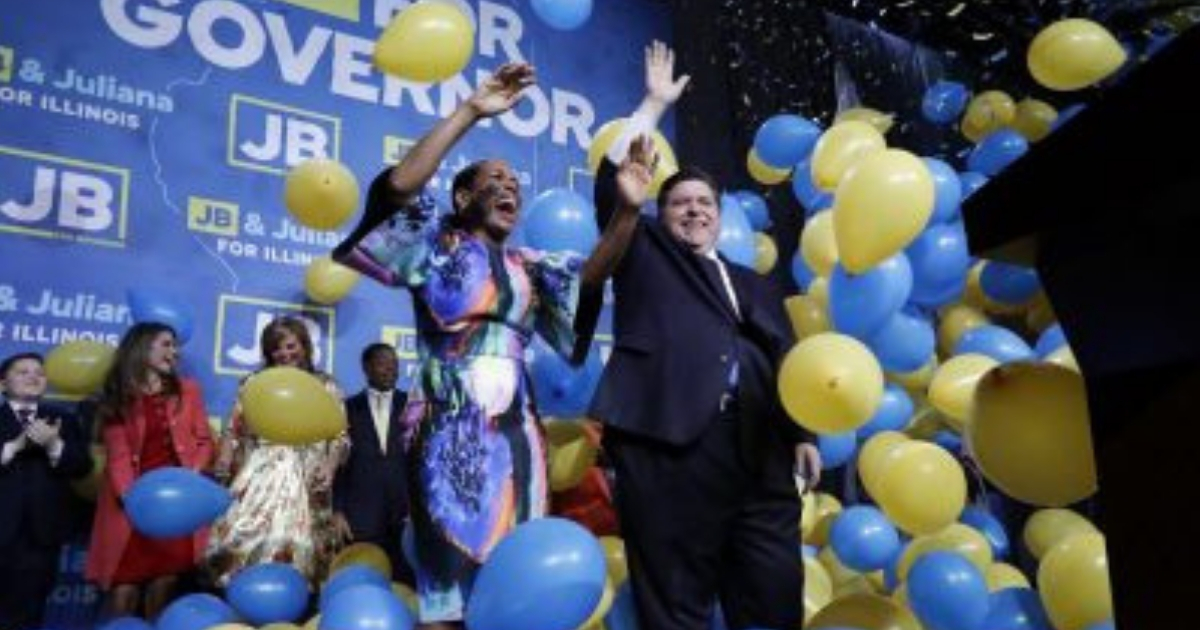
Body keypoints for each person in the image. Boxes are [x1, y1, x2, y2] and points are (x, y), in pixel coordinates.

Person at [332, 62, 632, 628]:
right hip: (446, 426)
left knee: (517, 576)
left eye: (515, 185)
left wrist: (629, 210)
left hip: (519, 428)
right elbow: (396, 190)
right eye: (494, 181)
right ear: (465, 195)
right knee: (448, 581)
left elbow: (591, 279)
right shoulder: (434, 247)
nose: (508, 188)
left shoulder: (530, 268)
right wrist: (471, 110)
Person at [580, 41, 823, 630]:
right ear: (662, 215)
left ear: (719, 214)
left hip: (761, 455)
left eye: (703, 203)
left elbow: (784, 358)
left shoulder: (757, 284)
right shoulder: (644, 247)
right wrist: (653, 105)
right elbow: (614, 180)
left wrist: (800, 432)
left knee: (773, 597)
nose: (693, 211)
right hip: (668, 448)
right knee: (675, 607)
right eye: (680, 203)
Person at [85, 322, 216, 619]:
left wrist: (192, 478)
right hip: (132, 503)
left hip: (176, 503)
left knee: (166, 582)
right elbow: (118, 457)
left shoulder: (189, 390)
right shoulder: (119, 395)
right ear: (143, 348)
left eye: (175, 345)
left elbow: (203, 439)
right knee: (124, 587)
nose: (175, 352)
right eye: (166, 344)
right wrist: (132, 500)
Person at [207, 316, 349, 586]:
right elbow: (233, 429)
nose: (285, 354)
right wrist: (224, 457)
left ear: (305, 346)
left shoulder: (326, 385)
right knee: (246, 550)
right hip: (261, 479)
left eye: (291, 346)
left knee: (303, 555)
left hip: (309, 482)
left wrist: (329, 467)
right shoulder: (254, 383)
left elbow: (340, 437)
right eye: (277, 349)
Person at [0, 352, 92, 629]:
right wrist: (14, 447)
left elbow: (82, 466)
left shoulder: (64, 419)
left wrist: (54, 445)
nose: (33, 376)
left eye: (39, 373)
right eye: (23, 372)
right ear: (3, 384)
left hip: (41, 536)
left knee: (29, 615)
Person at [333, 342, 413, 585]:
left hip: (404, 514)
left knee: (405, 581)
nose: (391, 370)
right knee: (362, 580)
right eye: (383, 364)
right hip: (360, 515)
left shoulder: (413, 406)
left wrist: (418, 509)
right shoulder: (346, 408)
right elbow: (338, 464)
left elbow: (422, 462)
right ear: (366, 368)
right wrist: (337, 510)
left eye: (395, 365)